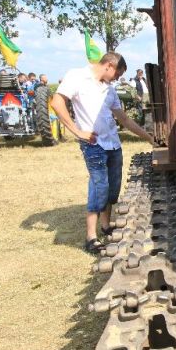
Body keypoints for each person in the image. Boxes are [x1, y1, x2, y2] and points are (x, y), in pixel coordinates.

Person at [49, 52, 157, 253]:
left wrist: (148, 137)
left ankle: (106, 226)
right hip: (94, 145)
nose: (117, 79)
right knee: (99, 187)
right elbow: (57, 102)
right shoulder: (77, 76)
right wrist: (77, 131)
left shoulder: (109, 90)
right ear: (109, 65)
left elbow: (124, 120)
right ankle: (90, 237)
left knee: (112, 188)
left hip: (113, 145)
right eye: (117, 74)